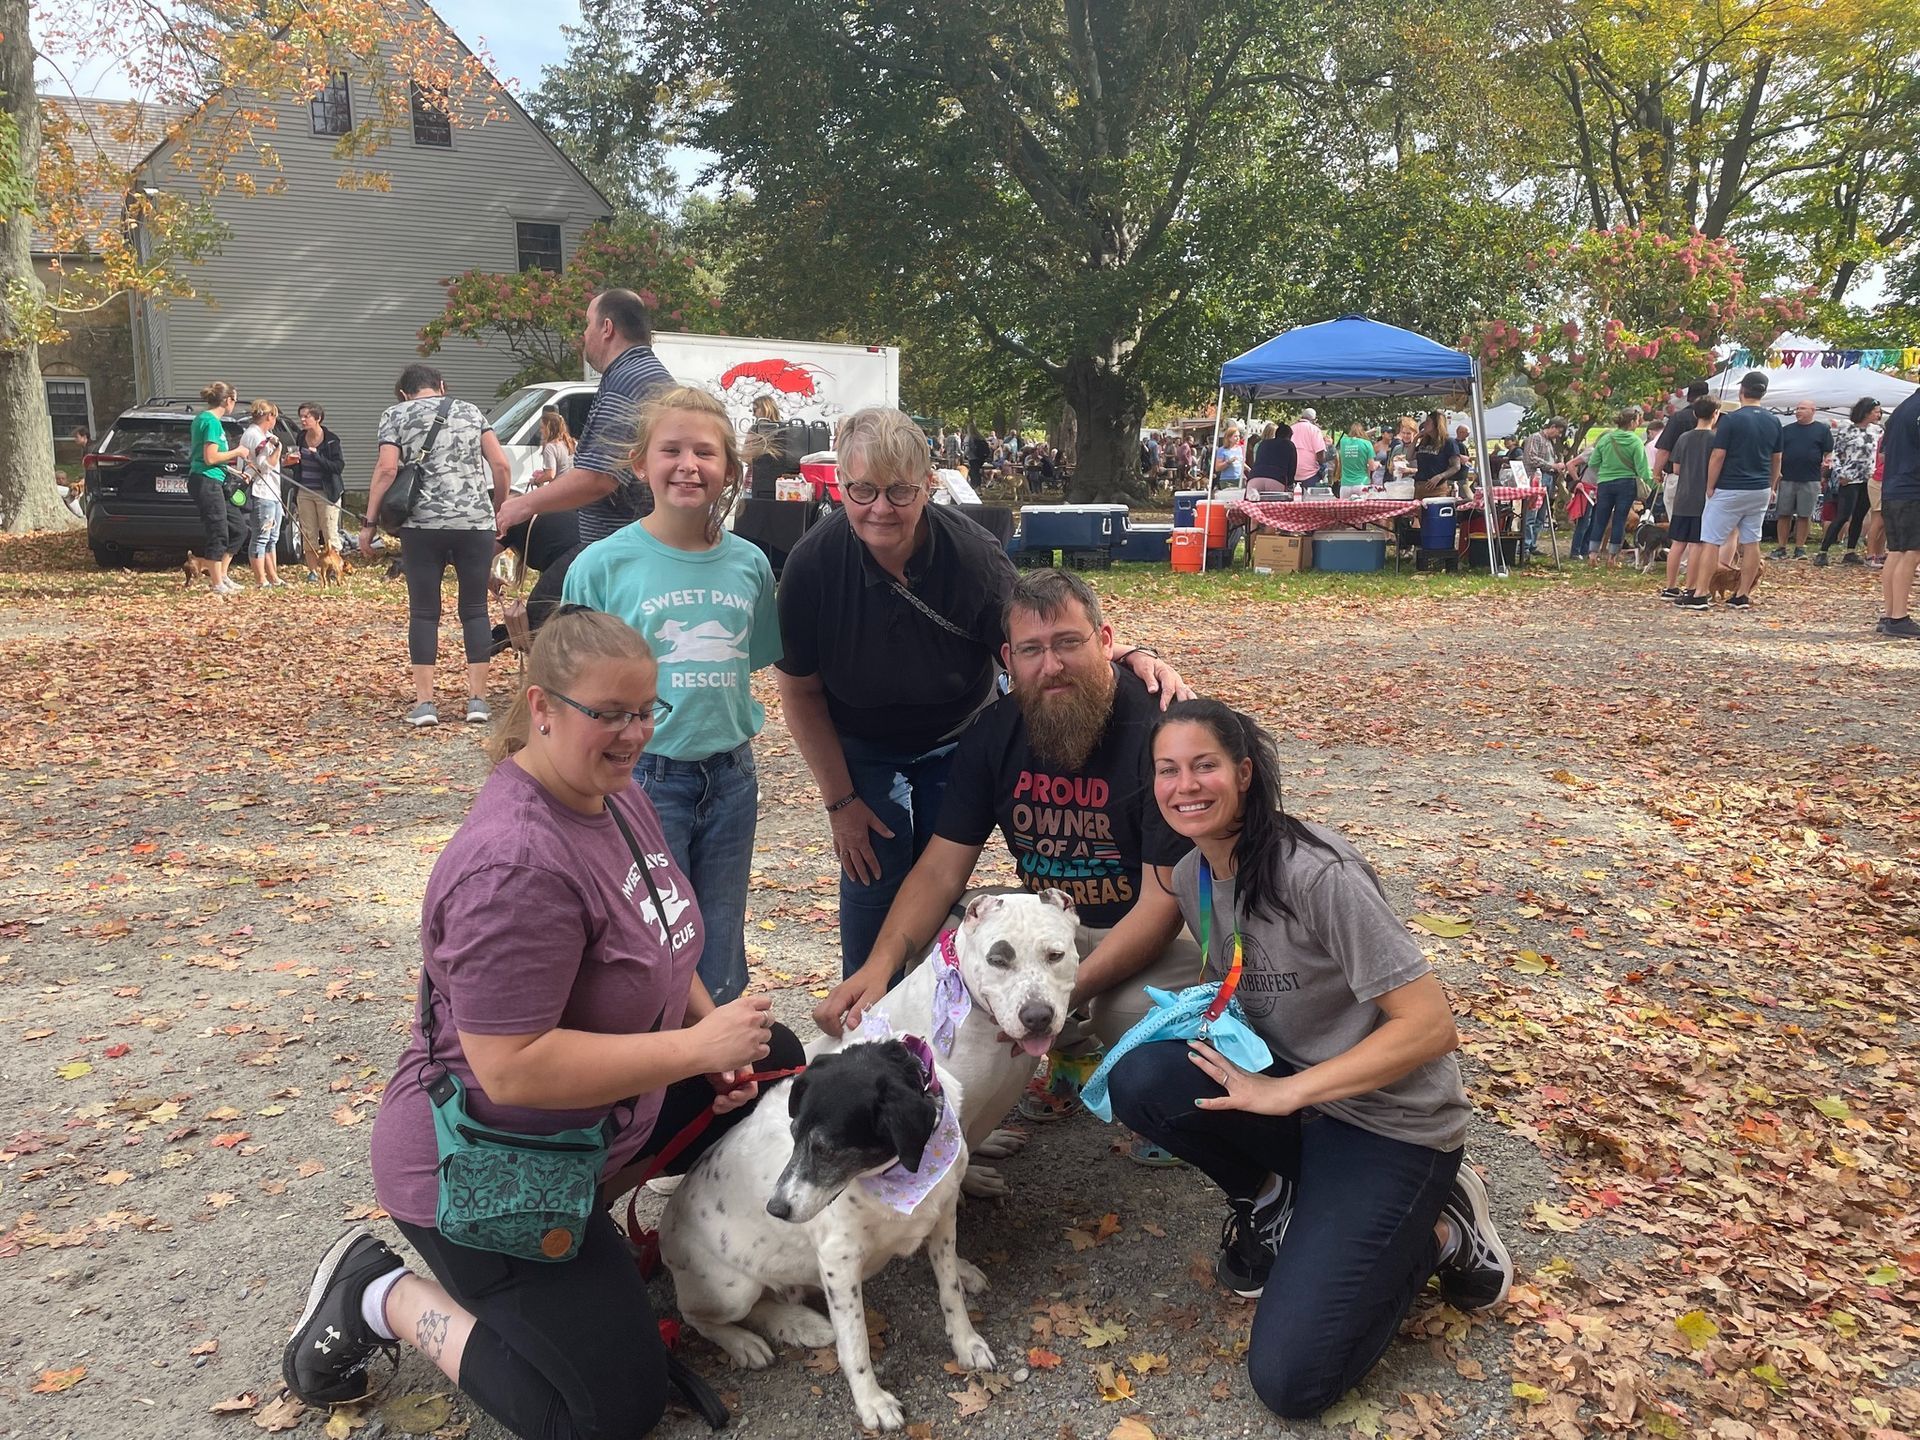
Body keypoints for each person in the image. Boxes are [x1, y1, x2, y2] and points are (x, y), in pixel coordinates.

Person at [281, 608, 797, 1436]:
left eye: (646, 709)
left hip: (578, 1134)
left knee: (775, 1062)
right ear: (544, 707)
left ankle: (587, 1241)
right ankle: (382, 1295)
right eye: (611, 713)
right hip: (486, 1167)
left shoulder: (610, 794)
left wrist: (707, 1041)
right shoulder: (514, 864)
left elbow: (667, 937)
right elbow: (511, 1068)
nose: (634, 734)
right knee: (606, 1416)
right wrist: (694, 1047)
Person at [1102, 699, 1510, 1418]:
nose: (1184, 786)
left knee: (1293, 1381)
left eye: (1205, 766)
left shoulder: (1316, 874)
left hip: (1393, 1125)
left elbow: (1431, 1027)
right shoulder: (1195, 877)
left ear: (1245, 773)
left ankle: (1446, 1230)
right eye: (1168, 770)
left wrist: (1288, 1094)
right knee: (1142, 1076)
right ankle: (1274, 1199)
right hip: (1301, 1100)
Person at [774, 406, 1188, 977]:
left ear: (927, 486)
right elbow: (798, 691)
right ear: (840, 485)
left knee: (938, 877)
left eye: (899, 491)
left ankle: (929, 1009)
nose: (879, 509)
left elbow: (1035, 642)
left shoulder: (972, 558)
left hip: (956, 732)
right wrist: (840, 800)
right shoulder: (813, 567)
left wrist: (1127, 656)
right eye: (862, 490)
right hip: (861, 738)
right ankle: (867, 1002)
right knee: (872, 865)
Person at [814, 569, 1198, 1154]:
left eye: (1069, 642)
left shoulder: (1156, 729)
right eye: (1032, 651)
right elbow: (941, 871)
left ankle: (1171, 1098)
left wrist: (1059, 994)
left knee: (1124, 1010)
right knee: (948, 950)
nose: (1052, 666)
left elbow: (1161, 907)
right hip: (1055, 923)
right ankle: (980, 1110)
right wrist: (878, 966)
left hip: (1157, 935)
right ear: (1008, 660)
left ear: (1106, 640)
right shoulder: (996, 733)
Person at [561, 388, 780, 1005]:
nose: (689, 464)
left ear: (731, 471)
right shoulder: (603, 565)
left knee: (719, 938)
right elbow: (567, 685)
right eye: (672, 449)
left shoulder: (751, 565)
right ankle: (655, 1077)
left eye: (706, 452)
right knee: (652, 936)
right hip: (644, 777)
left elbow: (751, 657)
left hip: (732, 774)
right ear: (639, 463)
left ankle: (722, 1078)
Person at [493, 289, 676, 617]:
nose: (583, 335)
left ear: (607, 328)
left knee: (548, 621)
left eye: (587, 324)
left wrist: (520, 505)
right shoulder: (651, 376)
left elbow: (598, 478)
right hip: (645, 544)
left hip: (618, 550)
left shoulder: (625, 384)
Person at [364, 364, 510, 727]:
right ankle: (477, 701)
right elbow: (501, 465)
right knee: (475, 609)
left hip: (421, 526)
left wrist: (368, 523)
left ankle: (426, 704)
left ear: (403, 393)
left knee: (425, 612)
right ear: (442, 386)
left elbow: (386, 469)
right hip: (474, 524)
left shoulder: (394, 414)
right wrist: (495, 509)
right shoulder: (472, 411)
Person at [1697, 372, 1782, 609]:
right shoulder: (1774, 421)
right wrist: (1772, 484)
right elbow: (1777, 458)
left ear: (1742, 390)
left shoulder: (1732, 420)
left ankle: (1701, 591)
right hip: (1760, 488)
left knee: (1711, 540)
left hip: (1731, 486)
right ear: (1763, 392)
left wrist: (1710, 485)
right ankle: (1742, 593)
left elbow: (1718, 455)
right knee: (1751, 540)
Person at [187, 382, 248, 595]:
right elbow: (209, 457)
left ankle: (222, 574)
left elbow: (212, 459)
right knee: (218, 531)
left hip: (216, 479)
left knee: (239, 528)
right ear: (228, 400)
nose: (235, 404)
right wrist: (238, 452)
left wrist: (234, 472)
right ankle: (216, 583)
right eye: (235, 400)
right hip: (205, 481)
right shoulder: (210, 421)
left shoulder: (211, 421)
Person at [1578, 407, 1651, 568]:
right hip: (1626, 483)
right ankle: (1612, 557)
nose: (1638, 424)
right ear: (1632, 422)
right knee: (1619, 520)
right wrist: (1651, 479)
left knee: (1600, 519)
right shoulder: (1635, 441)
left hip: (1604, 483)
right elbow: (1642, 469)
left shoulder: (1606, 439)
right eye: (1638, 421)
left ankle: (1592, 554)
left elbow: (1593, 462)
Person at [1875, 388, 1920, 638]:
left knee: (1897, 551)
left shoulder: (1904, 407)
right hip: (1913, 488)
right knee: (1912, 552)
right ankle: (1898, 618)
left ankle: (1891, 613)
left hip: (1893, 486)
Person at [1667, 398, 1721, 609]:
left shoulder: (1684, 437)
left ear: (1694, 414)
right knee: (1697, 544)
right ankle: (1691, 586)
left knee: (1678, 543)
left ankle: (1670, 586)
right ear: (1716, 414)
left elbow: (1677, 468)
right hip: (1703, 498)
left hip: (1683, 496)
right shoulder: (1715, 439)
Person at [1818, 398, 1881, 567]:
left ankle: (1850, 551)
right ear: (1866, 412)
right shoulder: (1847, 428)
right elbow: (1837, 453)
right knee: (1843, 515)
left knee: (1859, 516)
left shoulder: (1877, 430)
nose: (1878, 414)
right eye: (1876, 411)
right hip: (1850, 478)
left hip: (1868, 478)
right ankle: (1823, 551)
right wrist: (1841, 474)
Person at [286, 403, 345, 578]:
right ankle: (312, 571)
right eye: (301, 417)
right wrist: (291, 461)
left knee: (329, 531)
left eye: (306, 417)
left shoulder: (331, 440)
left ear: (318, 418)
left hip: (326, 493)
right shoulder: (301, 437)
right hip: (304, 490)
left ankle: (334, 568)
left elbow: (338, 466)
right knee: (308, 531)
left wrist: (317, 456)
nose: (302, 420)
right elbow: (297, 462)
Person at [1770, 401, 1833, 560]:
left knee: (1805, 515)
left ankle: (1800, 548)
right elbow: (1777, 453)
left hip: (1810, 478)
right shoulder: (1786, 430)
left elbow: (1828, 453)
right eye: (1797, 408)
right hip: (1787, 477)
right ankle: (1781, 547)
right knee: (1784, 513)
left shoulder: (1822, 430)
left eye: (1802, 408)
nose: (1798, 411)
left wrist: (1826, 466)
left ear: (1813, 410)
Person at [240, 399, 287, 589]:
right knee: (261, 536)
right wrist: (279, 450)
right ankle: (261, 579)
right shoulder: (254, 435)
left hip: (273, 492)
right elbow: (264, 465)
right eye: (275, 416)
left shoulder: (267, 434)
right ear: (270, 416)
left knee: (272, 537)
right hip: (261, 491)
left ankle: (273, 576)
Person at [1517, 417, 1567, 560]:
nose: (1558, 435)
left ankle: (1532, 544)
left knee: (1541, 515)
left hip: (1548, 478)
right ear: (1552, 426)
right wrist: (1552, 466)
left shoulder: (1551, 442)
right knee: (1531, 514)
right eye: (1558, 431)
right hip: (1536, 478)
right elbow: (1531, 458)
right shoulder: (1535, 438)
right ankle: (1524, 547)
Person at [1412, 412, 1461, 497]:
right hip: (1419, 486)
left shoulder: (1448, 442)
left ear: (1436, 424)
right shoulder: (1425, 441)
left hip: (1437, 488)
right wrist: (1416, 438)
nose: (1424, 424)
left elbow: (1456, 466)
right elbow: (1409, 456)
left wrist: (1440, 476)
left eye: (1428, 421)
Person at [1245, 424, 1296, 500]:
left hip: (1255, 477)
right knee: (1274, 508)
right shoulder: (1289, 445)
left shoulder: (1263, 443)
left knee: (1251, 504)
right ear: (1289, 436)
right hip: (1276, 479)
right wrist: (1290, 484)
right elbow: (1292, 468)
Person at [533, 406, 576, 487]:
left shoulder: (550, 447)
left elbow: (550, 474)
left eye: (542, 428)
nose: (540, 431)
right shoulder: (572, 443)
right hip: (572, 487)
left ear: (549, 429)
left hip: (559, 489)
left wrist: (535, 480)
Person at [1334, 422, 1373, 500]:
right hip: (1362, 483)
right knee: (1362, 510)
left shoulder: (1343, 442)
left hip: (1345, 484)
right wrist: (1378, 464)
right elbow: (1372, 467)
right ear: (1362, 431)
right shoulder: (1367, 444)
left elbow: (1354, 438)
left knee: (1344, 510)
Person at [1289, 409, 1326, 487]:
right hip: (1310, 474)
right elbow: (1320, 454)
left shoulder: (1291, 429)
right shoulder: (1314, 430)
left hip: (1292, 472)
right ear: (1313, 419)